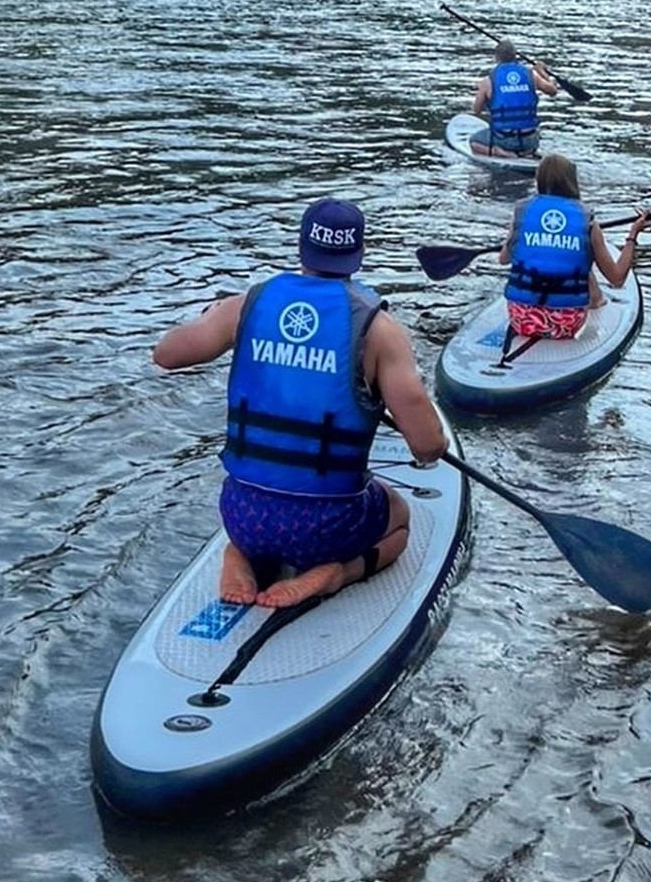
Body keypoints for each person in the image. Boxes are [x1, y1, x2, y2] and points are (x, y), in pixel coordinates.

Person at [152, 197, 449, 610]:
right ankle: (337, 573)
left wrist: (218, 314)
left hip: (243, 512)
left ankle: (238, 552)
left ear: (302, 248)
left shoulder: (247, 305)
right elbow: (428, 447)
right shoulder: (379, 330)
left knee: (255, 511)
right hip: (331, 526)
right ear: (357, 256)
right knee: (398, 515)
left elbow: (165, 355)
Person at [497, 153, 651, 347]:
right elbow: (617, 279)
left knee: (561, 260)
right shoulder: (587, 221)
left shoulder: (522, 212)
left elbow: (504, 259)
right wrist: (634, 233)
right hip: (565, 323)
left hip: (521, 319)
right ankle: (598, 301)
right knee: (578, 261)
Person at [470, 38, 558, 157]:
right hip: (530, 139)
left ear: (497, 58)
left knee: (474, 142)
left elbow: (476, 110)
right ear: (515, 56)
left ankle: (500, 152)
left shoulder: (488, 80)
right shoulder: (531, 74)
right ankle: (528, 151)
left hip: (504, 140)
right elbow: (553, 91)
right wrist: (542, 71)